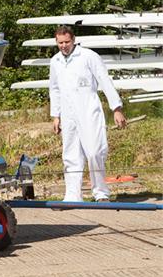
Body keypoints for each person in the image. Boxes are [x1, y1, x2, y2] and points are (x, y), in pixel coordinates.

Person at [49, 25, 127, 202]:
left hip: (88, 110)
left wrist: (116, 108)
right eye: (60, 43)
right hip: (68, 114)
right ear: (56, 42)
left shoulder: (89, 56)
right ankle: (72, 196)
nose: (63, 46)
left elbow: (104, 81)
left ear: (73, 40)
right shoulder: (55, 61)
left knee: (94, 152)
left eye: (66, 42)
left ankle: (100, 193)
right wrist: (56, 115)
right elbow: (54, 89)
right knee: (70, 154)